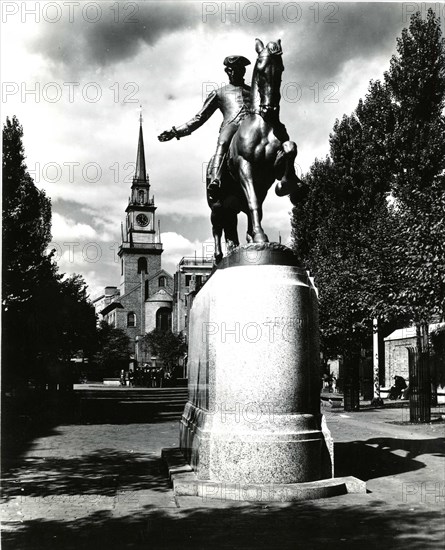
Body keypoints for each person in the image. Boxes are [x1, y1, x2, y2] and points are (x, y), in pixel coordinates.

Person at [158, 55, 252, 203]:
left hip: (252, 128)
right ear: (227, 71)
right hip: (231, 126)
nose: (235, 73)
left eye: (239, 69)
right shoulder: (219, 93)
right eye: (232, 70)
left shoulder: (254, 92)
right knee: (223, 143)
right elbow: (199, 118)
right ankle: (216, 178)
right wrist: (175, 131)